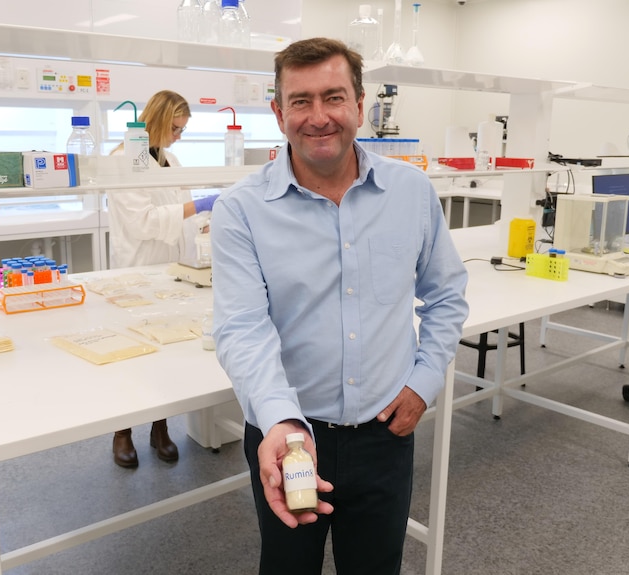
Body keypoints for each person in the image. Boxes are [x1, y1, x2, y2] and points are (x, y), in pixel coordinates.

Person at [210, 38, 469, 574]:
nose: (319, 117)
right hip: (289, 437)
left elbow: (445, 295)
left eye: (334, 97)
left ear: (359, 102)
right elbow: (241, 328)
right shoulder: (242, 210)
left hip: (384, 433)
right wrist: (280, 422)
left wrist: (423, 383)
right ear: (279, 113)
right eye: (301, 101)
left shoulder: (411, 191)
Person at [107, 89, 218, 468]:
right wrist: (200, 204)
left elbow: (179, 215)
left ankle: (159, 428)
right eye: (174, 128)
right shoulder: (128, 158)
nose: (178, 136)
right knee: (130, 355)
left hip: (169, 270)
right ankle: (122, 433)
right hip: (136, 270)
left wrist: (207, 219)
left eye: (183, 129)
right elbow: (144, 222)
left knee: (163, 352)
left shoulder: (168, 159)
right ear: (155, 120)